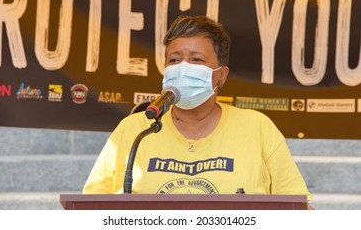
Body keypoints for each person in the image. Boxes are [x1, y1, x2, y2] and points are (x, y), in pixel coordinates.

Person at [83, 15, 313, 208]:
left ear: (221, 75)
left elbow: (299, 209)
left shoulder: (257, 128)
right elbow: (89, 209)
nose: (183, 68)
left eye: (196, 60)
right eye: (174, 59)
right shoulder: (134, 129)